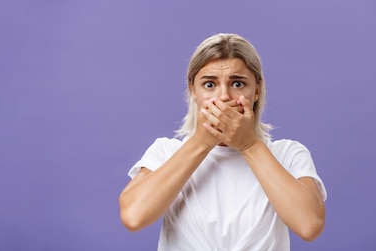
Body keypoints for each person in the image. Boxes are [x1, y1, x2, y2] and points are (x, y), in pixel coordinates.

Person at [119, 33, 327, 250]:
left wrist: (250, 145)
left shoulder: (288, 154)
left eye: (237, 83)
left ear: (256, 90)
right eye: (209, 84)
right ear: (193, 90)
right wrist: (201, 143)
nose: (224, 96)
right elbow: (134, 217)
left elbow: (309, 225)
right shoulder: (165, 152)